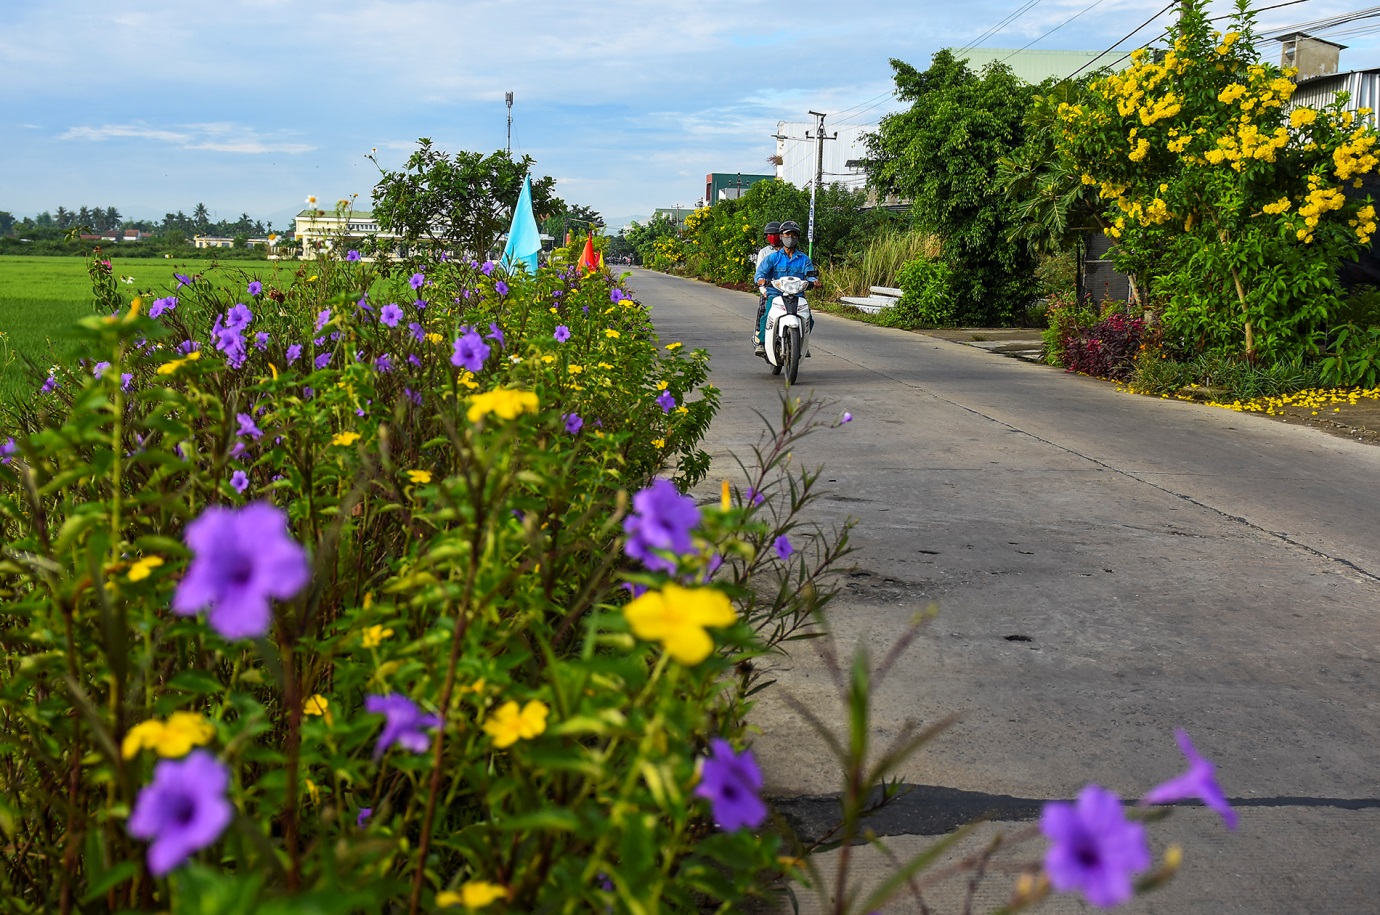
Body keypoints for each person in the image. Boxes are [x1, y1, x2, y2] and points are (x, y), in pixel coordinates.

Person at [753, 220, 817, 357]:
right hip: (776, 294)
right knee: (767, 314)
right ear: (781, 236)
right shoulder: (772, 258)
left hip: (797, 295)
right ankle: (762, 343)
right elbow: (760, 273)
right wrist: (760, 280)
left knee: (808, 319)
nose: (791, 238)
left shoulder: (804, 259)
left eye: (794, 235)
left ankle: (801, 344)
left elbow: (811, 275)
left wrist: (814, 282)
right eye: (788, 234)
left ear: (798, 238)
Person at [752, 222, 784, 350]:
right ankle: (760, 340)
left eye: (775, 234)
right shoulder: (764, 252)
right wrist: (763, 289)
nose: (773, 237)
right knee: (763, 311)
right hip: (770, 289)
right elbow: (759, 273)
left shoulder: (790, 251)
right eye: (770, 235)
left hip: (788, 289)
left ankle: (800, 342)